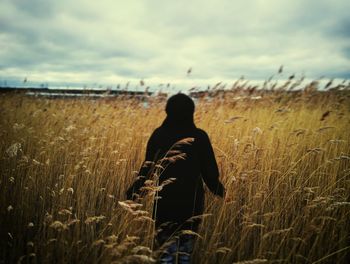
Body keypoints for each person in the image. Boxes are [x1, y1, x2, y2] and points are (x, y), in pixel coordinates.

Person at [126, 93, 225, 264]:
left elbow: (148, 168)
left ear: (167, 111)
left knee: (166, 251)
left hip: (164, 202)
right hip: (191, 203)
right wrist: (220, 191)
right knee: (185, 251)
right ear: (191, 112)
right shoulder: (199, 136)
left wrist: (135, 191)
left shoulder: (158, 134)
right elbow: (210, 173)